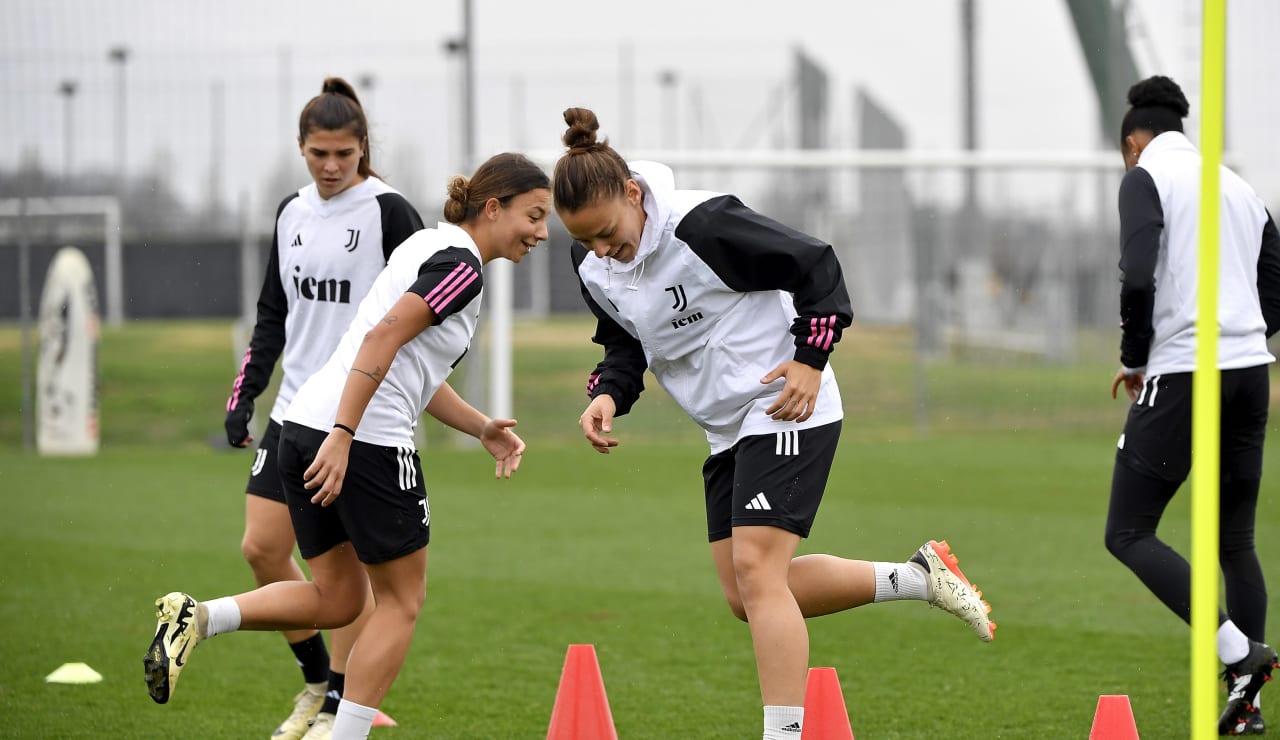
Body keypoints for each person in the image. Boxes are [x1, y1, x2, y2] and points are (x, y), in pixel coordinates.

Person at [551, 107, 995, 740]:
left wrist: (810, 361)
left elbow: (815, 265)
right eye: (585, 240)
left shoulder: (702, 226)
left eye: (607, 233)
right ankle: (918, 577)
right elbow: (624, 344)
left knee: (759, 575)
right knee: (746, 595)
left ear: (632, 192)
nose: (600, 250)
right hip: (724, 426)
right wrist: (607, 396)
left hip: (786, 406)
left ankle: (783, 734)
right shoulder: (593, 265)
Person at [146, 152, 551, 740]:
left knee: (337, 599)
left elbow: (409, 365)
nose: (541, 232)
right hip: (360, 440)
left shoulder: (422, 247)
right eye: (534, 216)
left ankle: (198, 618)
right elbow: (384, 339)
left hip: (304, 425)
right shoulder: (461, 268)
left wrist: (479, 425)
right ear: (494, 207)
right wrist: (345, 435)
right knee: (402, 602)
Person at [221, 77, 424, 739]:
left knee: (353, 577)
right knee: (261, 547)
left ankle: (337, 700)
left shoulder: (390, 213)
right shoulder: (291, 213)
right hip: (294, 410)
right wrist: (245, 393)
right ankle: (318, 680)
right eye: (319, 154)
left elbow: (418, 314)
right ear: (301, 150)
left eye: (344, 153)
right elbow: (272, 316)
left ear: (363, 148)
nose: (332, 167)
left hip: (358, 415)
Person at [1103, 75, 1280, 736]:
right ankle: (1249, 708)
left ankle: (1240, 655)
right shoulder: (1235, 184)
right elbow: (1278, 276)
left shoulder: (1145, 176)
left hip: (1184, 372)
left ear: (1132, 142)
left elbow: (1140, 272)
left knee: (1127, 531)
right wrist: (1245, 333)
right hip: (1248, 372)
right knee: (1235, 539)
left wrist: (1133, 357)